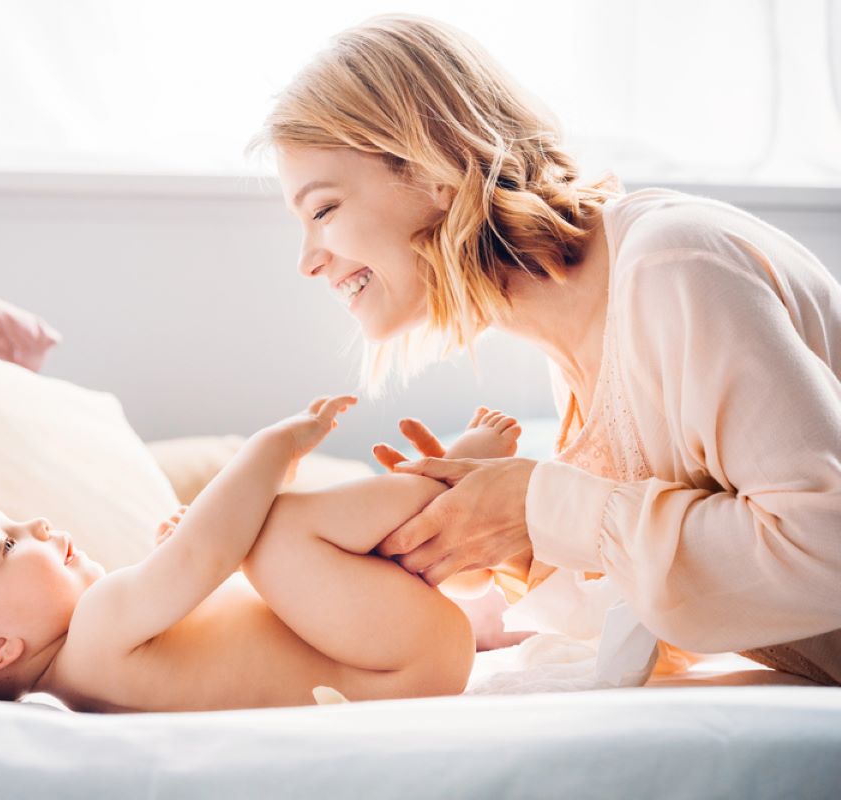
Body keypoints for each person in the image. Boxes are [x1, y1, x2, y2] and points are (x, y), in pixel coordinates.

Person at [249, 13, 841, 683]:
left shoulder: (673, 266)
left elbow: (825, 551)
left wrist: (537, 504)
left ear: (433, 171)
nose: (307, 261)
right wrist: (513, 538)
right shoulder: (576, 349)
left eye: (323, 209)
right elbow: (697, 599)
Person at [0, 397, 526, 710]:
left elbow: (228, 617)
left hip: (394, 660)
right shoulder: (102, 623)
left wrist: (194, 556)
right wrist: (268, 452)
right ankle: (449, 484)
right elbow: (210, 552)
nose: (37, 524)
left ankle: (444, 534)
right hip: (390, 660)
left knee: (278, 551)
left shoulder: (91, 687)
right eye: (8, 543)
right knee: (275, 531)